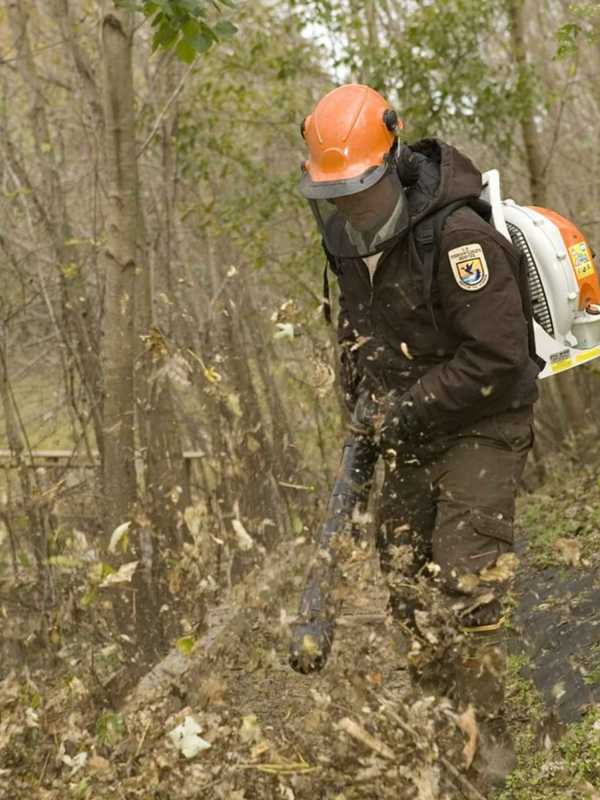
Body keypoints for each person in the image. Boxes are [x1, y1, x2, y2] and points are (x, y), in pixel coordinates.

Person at [298, 83, 540, 782]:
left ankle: (484, 761)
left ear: (393, 162)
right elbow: (358, 336)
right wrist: (362, 419)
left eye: (361, 190)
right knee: (406, 580)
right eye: (335, 193)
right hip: (407, 425)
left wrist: (403, 410)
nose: (349, 206)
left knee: (466, 578)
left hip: (483, 417)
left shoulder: (458, 235)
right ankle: (439, 728)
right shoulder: (346, 245)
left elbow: (499, 357)